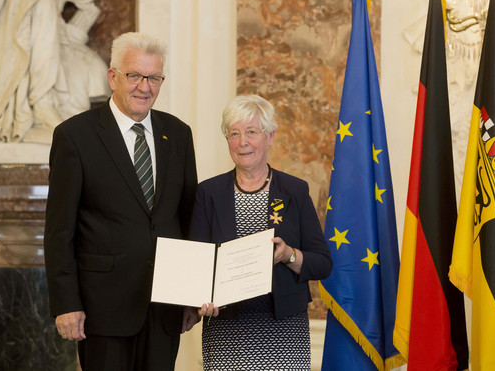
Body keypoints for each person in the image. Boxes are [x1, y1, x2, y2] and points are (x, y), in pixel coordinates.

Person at [43, 32, 198, 371]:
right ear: (113, 76)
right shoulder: (75, 136)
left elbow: (188, 219)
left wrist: (192, 292)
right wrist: (66, 303)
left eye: (154, 77)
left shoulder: (179, 134)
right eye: (135, 75)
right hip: (103, 309)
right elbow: (59, 230)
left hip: (165, 306)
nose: (145, 87)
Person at [185, 94, 333, 370]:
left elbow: (323, 263)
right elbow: (197, 262)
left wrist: (289, 255)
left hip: (284, 331)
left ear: (270, 137)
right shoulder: (209, 192)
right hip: (226, 333)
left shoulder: (295, 191)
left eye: (252, 132)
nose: (243, 142)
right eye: (234, 133)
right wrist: (199, 299)